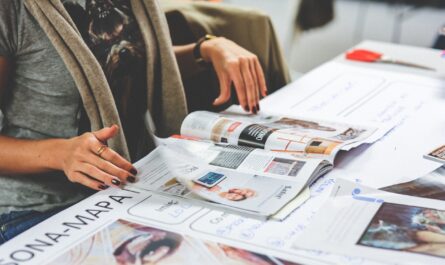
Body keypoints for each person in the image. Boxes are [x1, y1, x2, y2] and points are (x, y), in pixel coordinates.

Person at [0, 0, 270, 244]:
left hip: (131, 184)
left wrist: (205, 49)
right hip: (38, 210)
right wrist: (60, 153)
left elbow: (128, 62)